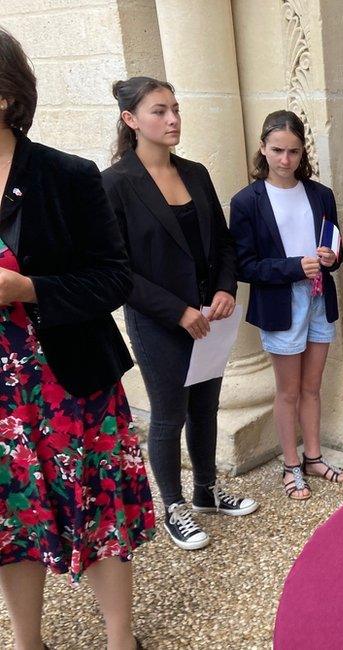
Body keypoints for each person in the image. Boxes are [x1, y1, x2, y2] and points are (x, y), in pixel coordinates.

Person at [0, 28, 153, 650]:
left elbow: (113, 278)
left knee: (102, 508)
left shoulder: (67, 175)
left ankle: (121, 639)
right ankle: (27, 641)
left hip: (68, 381)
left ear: (7, 95)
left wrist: (28, 290)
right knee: (10, 519)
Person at [102, 77, 257, 551]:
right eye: (158, 111)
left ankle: (207, 490)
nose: (172, 120)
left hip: (210, 316)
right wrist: (178, 311)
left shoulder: (196, 173)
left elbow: (224, 243)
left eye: (175, 109)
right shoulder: (115, 184)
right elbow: (117, 270)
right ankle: (173, 506)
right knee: (170, 415)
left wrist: (225, 288)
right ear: (131, 120)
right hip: (159, 323)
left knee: (207, 405)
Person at [229, 110, 343, 500]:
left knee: (313, 387)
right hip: (280, 302)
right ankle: (291, 465)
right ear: (263, 148)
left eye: (294, 152)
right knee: (288, 391)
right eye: (277, 150)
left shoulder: (320, 193)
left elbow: (336, 248)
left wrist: (331, 258)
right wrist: (294, 266)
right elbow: (244, 266)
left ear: (303, 152)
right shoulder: (247, 201)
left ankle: (313, 457)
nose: (285, 160)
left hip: (318, 297)